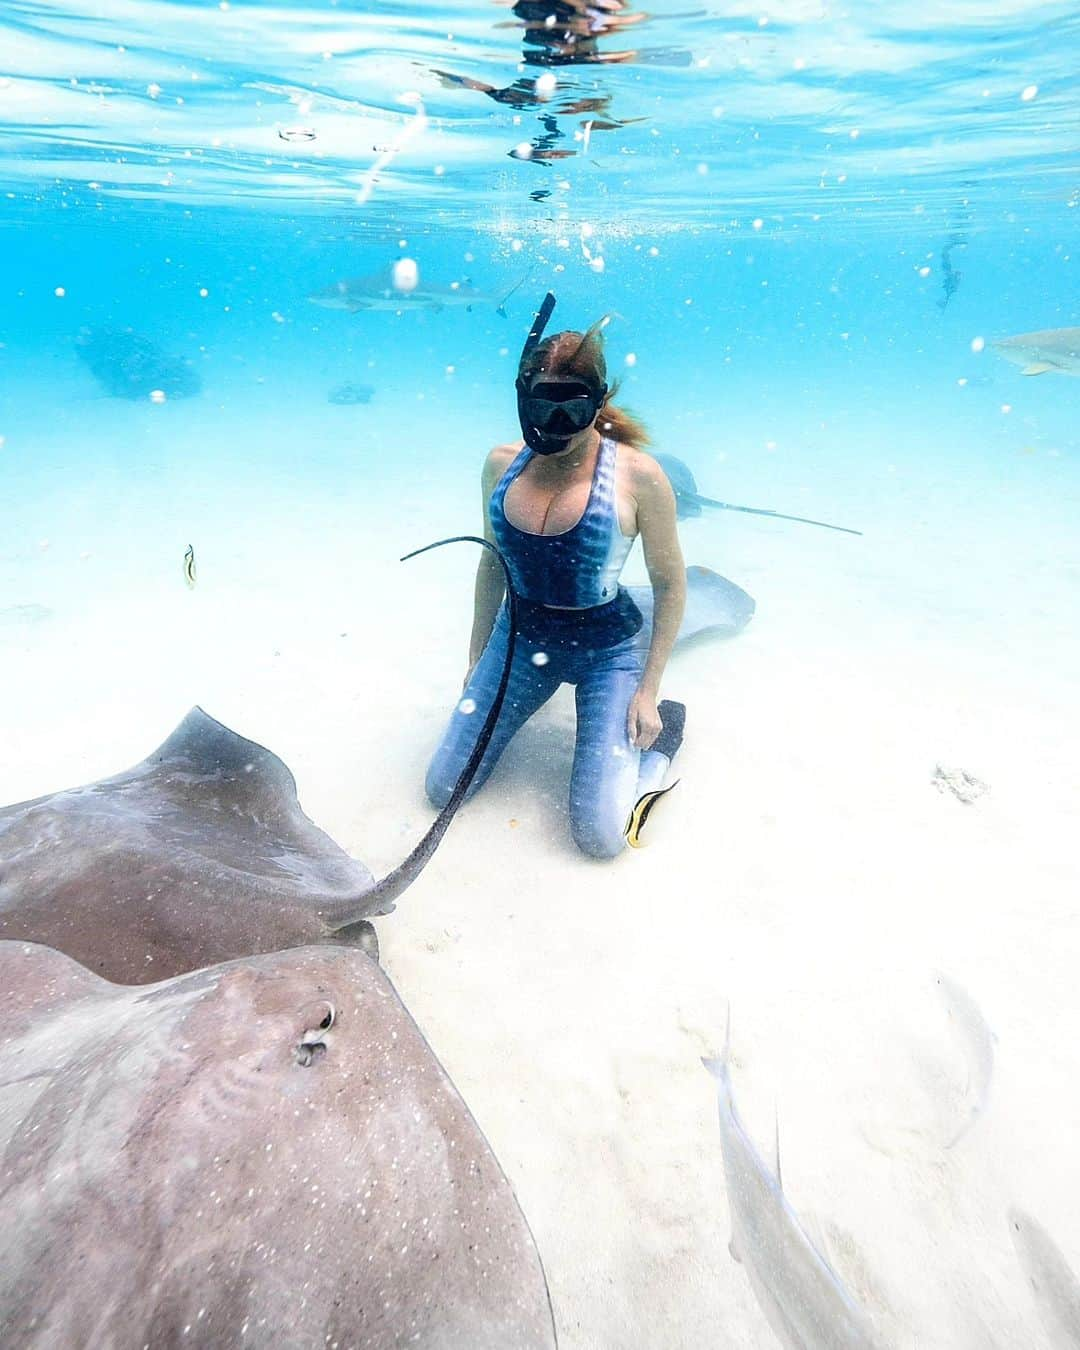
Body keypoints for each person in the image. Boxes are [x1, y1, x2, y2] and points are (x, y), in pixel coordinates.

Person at [425, 292, 687, 859]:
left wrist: (649, 690)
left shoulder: (639, 476)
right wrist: (476, 656)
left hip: (608, 650)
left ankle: (664, 741)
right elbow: (490, 565)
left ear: (600, 401)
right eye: (546, 407)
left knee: (600, 836)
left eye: (575, 407)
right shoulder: (501, 463)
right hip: (518, 640)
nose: (559, 424)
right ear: (523, 401)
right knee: (442, 788)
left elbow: (669, 584)